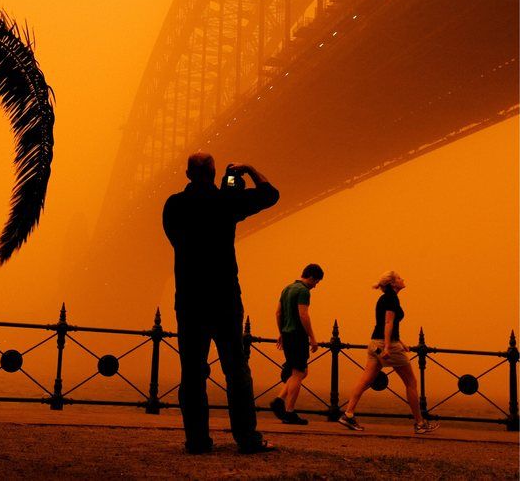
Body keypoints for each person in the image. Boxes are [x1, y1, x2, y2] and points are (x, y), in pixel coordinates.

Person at [162, 152, 280, 454]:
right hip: (225, 297)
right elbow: (270, 195)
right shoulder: (227, 203)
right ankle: (247, 438)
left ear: (188, 174)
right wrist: (249, 168)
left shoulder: (173, 205)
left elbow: (175, 239)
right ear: (214, 174)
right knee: (236, 369)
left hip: (189, 298)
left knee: (192, 371)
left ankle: (197, 440)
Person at [337, 271, 439, 434]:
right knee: (411, 383)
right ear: (393, 283)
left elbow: (386, 325)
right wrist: (387, 347)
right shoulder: (392, 298)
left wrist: (400, 342)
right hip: (387, 346)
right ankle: (420, 423)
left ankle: (348, 414)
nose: (403, 279)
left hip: (374, 344)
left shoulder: (384, 298)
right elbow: (388, 323)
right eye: (399, 278)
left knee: (365, 381)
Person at [270, 264, 324, 425]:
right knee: (298, 373)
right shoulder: (303, 291)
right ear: (312, 277)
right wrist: (312, 338)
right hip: (297, 336)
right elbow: (303, 315)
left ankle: (279, 401)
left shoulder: (287, 288)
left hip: (287, 334)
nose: (316, 285)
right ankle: (289, 411)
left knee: (301, 371)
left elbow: (278, 312)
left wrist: (281, 332)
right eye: (317, 281)